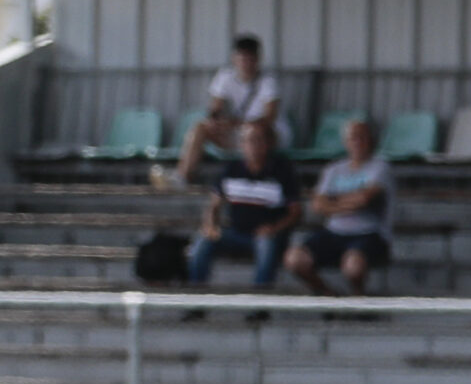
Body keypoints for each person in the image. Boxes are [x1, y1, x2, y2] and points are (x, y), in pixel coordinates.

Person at [186, 119, 300, 288]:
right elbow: (214, 205)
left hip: (266, 234)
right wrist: (210, 225)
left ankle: (258, 305)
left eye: (257, 139)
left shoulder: (282, 171)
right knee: (202, 241)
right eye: (248, 140)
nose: (253, 145)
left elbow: (296, 212)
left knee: (266, 245)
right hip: (235, 233)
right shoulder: (232, 169)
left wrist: (274, 228)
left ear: (268, 143)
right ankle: (195, 300)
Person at [285, 119, 394, 296]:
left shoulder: (381, 167)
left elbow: (364, 199)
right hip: (334, 232)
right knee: (294, 259)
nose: (358, 141)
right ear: (346, 142)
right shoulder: (334, 169)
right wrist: (352, 200)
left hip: (368, 233)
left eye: (362, 137)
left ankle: (358, 298)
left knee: (353, 266)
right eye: (353, 138)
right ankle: (328, 295)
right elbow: (317, 205)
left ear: (371, 140)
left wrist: (334, 201)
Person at [167, 34, 284, 188]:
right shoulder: (225, 77)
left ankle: (256, 180)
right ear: (234, 59)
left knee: (254, 132)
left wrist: (235, 124)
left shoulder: (268, 81)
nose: (245, 63)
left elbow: (270, 117)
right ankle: (183, 176)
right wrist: (215, 120)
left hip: (265, 136)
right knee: (200, 127)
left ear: (257, 59)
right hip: (237, 134)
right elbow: (215, 108)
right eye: (242, 58)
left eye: (250, 58)